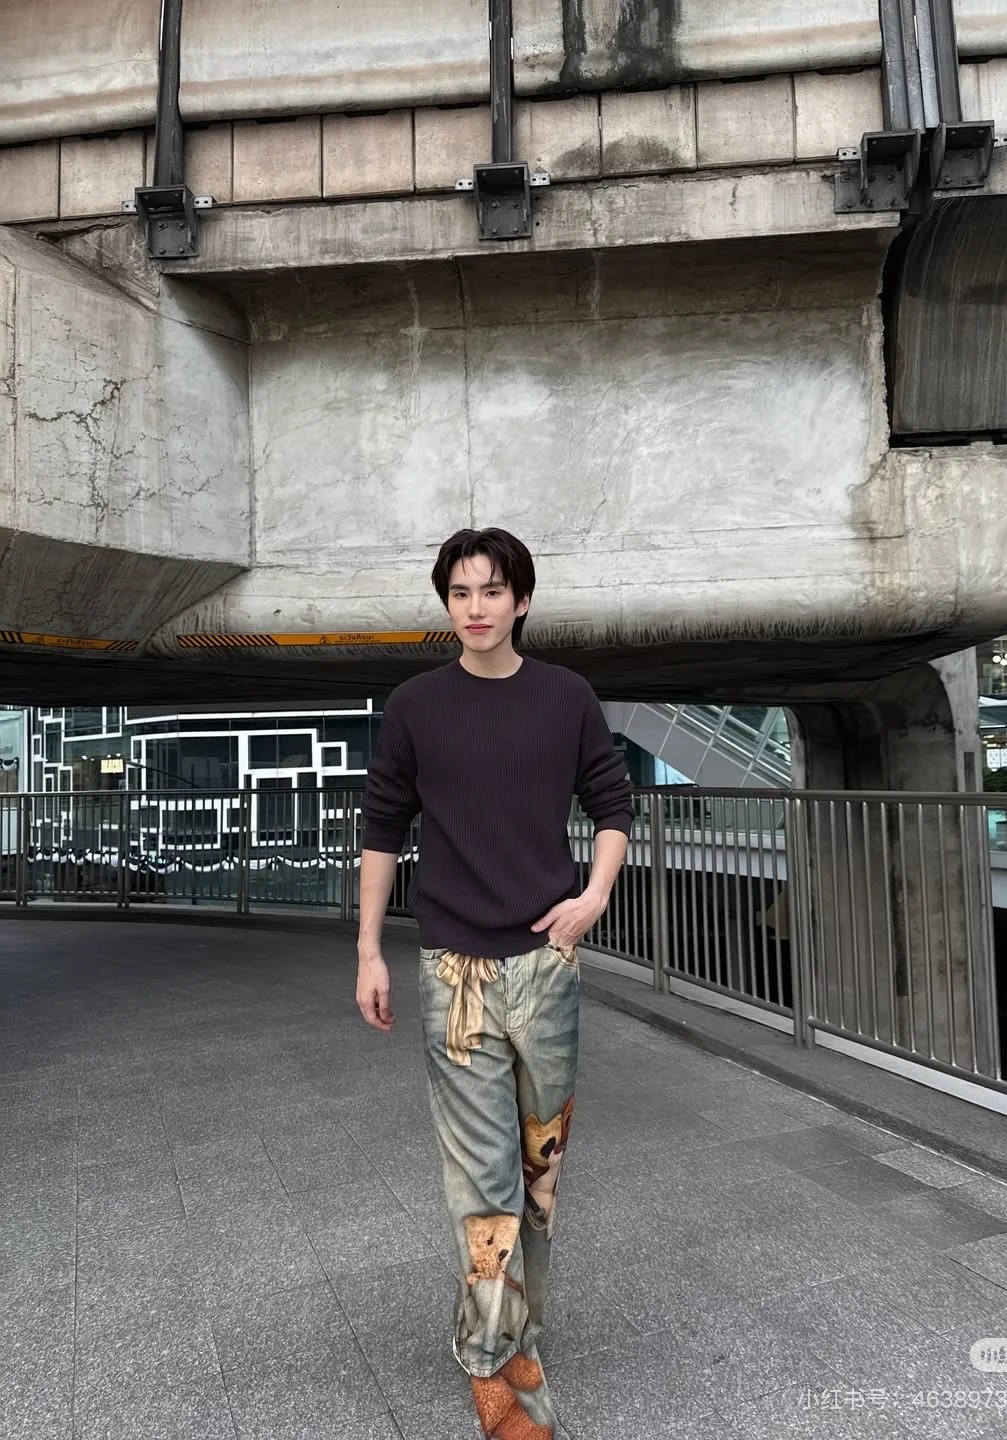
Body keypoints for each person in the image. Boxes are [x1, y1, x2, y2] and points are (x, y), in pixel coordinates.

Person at [355, 527, 633, 1440]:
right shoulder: (416, 706)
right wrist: (367, 951)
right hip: (455, 974)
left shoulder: (566, 696)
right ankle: (487, 1359)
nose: (475, 607)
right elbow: (382, 829)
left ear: (521, 601)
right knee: (482, 1179)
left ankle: (520, 1331)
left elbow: (611, 804)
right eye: (460, 592)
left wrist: (593, 896)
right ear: (447, 603)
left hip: (547, 967)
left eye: (491, 590)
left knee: (539, 1176)